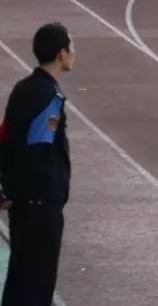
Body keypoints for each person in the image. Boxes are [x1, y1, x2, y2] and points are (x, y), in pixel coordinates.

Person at [0, 22, 75, 305]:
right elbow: (40, 151)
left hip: (22, 205)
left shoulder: (23, 88)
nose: (74, 54)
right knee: (37, 284)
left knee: (19, 279)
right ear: (61, 54)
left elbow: (4, 138)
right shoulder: (49, 98)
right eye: (72, 48)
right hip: (39, 206)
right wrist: (44, 195)